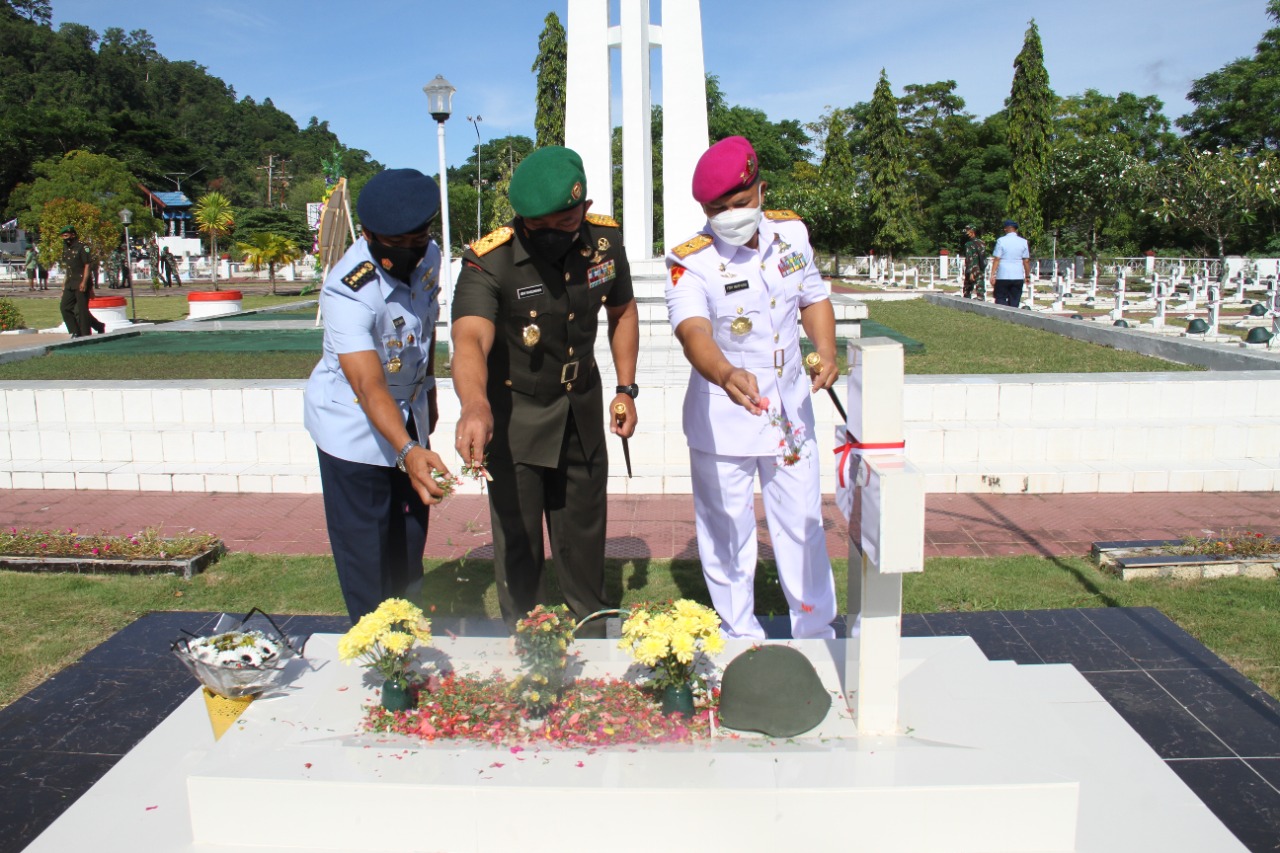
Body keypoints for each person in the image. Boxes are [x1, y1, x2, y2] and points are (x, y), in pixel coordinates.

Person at [451, 146, 639, 637]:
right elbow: (469, 337)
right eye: (541, 228)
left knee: (583, 535)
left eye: (565, 223)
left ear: (583, 204)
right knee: (520, 544)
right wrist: (474, 404)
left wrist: (626, 388)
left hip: (581, 407)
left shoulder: (604, 240)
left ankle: (592, 634)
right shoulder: (490, 260)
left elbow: (622, 313)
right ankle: (529, 651)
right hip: (516, 417)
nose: (555, 235)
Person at [664, 135, 838, 640]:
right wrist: (723, 372)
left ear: (760, 190)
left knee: (802, 522)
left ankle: (814, 630)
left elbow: (814, 296)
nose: (730, 216)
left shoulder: (792, 235)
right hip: (725, 412)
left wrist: (825, 352)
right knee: (727, 531)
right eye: (716, 209)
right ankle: (739, 632)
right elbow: (691, 330)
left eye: (739, 204)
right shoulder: (688, 260)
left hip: (789, 410)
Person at [302, 168, 451, 623]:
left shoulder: (430, 255)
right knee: (367, 550)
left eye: (418, 237)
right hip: (352, 427)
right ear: (369, 235)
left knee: (408, 540)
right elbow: (368, 385)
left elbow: (421, 331)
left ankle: (407, 634)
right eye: (396, 242)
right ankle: (377, 652)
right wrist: (408, 450)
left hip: (407, 412)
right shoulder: (348, 290)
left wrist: (429, 398)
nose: (410, 250)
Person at [58, 226, 93, 337]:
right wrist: (63, 285)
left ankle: (85, 334)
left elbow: (87, 265)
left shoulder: (82, 247)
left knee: (82, 311)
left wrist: (84, 282)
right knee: (65, 307)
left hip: (80, 281)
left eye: (66, 235)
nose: (65, 238)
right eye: (63, 236)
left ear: (73, 235)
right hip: (70, 282)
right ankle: (74, 331)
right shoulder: (66, 248)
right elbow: (68, 268)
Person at [990, 219, 1031, 307]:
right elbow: (1026, 261)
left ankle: (1002, 317)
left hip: (1003, 275)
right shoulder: (1023, 242)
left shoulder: (1001, 240)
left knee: (1000, 298)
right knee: (1015, 300)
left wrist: (992, 274)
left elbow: (997, 258)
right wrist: (1027, 275)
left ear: (1006, 229)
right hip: (1017, 275)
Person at [961, 224, 987, 300]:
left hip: (972, 269)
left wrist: (970, 272)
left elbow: (969, 259)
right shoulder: (982, 243)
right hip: (981, 268)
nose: (966, 232)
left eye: (967, 230)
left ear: (972, 231)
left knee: (967, 291)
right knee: (980, 290)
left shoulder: (968, 244)